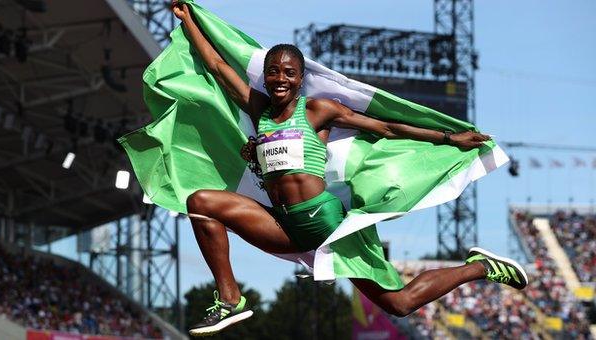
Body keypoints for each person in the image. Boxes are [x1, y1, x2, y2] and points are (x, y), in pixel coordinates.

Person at [171, 2, 528, 337]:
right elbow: (218, 67)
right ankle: (230, 299)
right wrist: (188, 20)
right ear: (265, 77)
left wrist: (449, 138)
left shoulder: (317, 111)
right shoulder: (258, 110)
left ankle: (480, 267)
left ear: (300, 78)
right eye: (273, 72)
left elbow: (386, 127)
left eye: (289, 73)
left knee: (400, 303)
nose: (280, 78)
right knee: (200, 201)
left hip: (327, 225)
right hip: (284, 225)